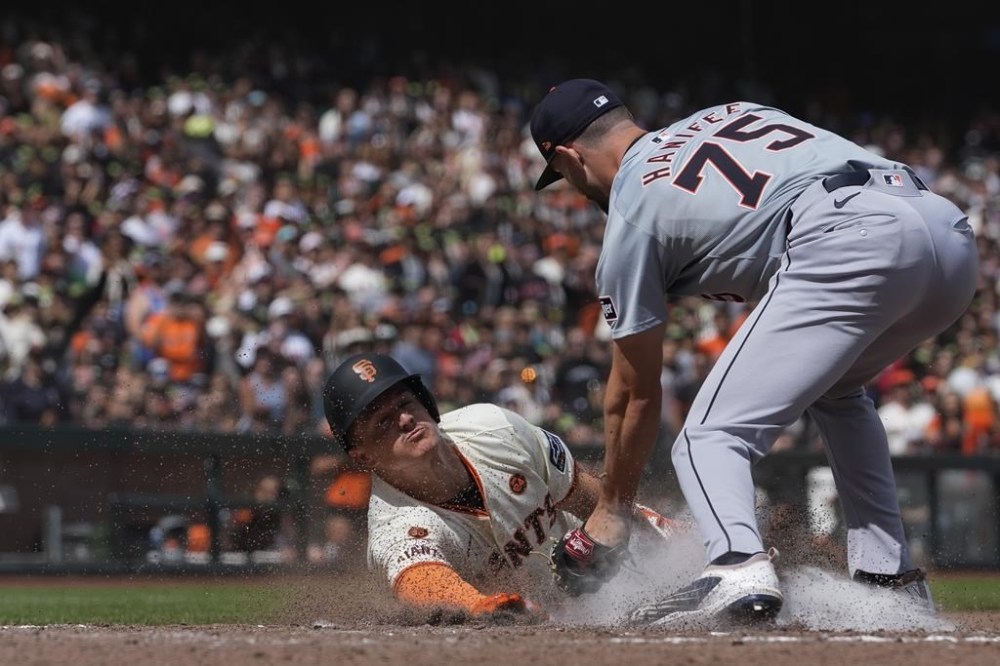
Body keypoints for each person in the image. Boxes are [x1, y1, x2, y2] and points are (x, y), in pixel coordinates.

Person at [528, 78, 979, 626]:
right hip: (947, 236)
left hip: (847, 235)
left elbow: (635, 391)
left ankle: (736, 565)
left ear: (569, 157)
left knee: (708, 436)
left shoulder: (632, 210)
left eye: (564, 178)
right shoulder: (731, 111)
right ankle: (889, 580)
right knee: (837, 392)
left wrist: (613, 506)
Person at [321, 351, 682, 620]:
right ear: (363, 457)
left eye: (404, 403)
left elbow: (584, 494)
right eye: (382, 422)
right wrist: (477, 604)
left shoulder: (495, 427)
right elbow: (420, 578)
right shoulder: (396, 525)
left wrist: (649, 527)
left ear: (426, 404)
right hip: (535, 634)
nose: (403, 419)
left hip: (608, 569)